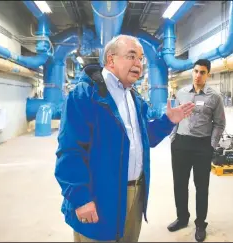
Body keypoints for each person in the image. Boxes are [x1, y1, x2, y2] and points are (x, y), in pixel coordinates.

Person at [54, 35, 195, 242]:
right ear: (111, 60)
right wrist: (80, 198)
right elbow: (70, 151)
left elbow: (145, 138)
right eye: (131, 56)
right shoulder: (84, 95)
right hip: (100, 194)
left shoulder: (134, 98)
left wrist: (167, 121)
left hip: (135, 193)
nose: (138, 64)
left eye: (140, 58)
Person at [168, 59, 226, 242]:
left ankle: (200, 223)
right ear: (192, 72)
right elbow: (175, 116)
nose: (198, 75)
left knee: (201, 187)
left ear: (208, 74)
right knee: (179, 184)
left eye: (202, 72)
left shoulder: (214, 97)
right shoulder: (182, 92)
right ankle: (182, 218)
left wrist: (212, 145)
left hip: (202, 146)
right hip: (181, 144)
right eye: (195, 71)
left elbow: (219, 123)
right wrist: (173, 136)